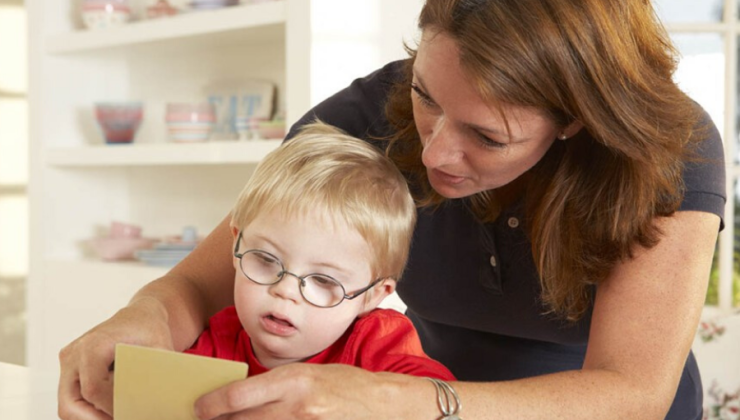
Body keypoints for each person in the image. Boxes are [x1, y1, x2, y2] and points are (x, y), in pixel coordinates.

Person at [58, 1, 726, 420]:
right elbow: (203, 279)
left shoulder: (669, 151)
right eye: (426, 96)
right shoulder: (359, 119)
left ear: (574, 123)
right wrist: (137, 322)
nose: (436, 152)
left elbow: (631, 392)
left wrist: (392, 402)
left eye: (487, 137)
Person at [182, 121, 454, 380]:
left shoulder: (378, 343)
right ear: (236, 243)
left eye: (323, 280)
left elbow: (440, 402)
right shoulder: (218, 340)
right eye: (266, 260)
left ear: (371, 295)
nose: (285, 291)